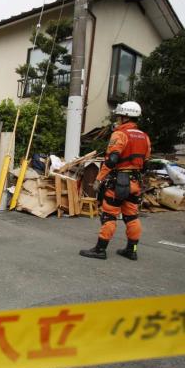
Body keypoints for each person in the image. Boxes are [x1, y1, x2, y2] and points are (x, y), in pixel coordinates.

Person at [79, 101, 151, 261]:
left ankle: (100, 249)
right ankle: (132, 250)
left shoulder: (120, 134)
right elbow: (146, 164)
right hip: (135, 183)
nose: (118, 119)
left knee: (109, 216)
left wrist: (99, 179)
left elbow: (111, 160)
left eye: (119, 116)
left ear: (125, 116)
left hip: (118, 182)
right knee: (131, 217)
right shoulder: (144, 137)